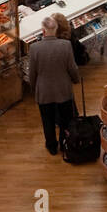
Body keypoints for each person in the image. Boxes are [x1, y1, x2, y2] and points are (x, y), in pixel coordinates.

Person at [27, 15, 80, 155]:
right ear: (56, 30)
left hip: (44, 92)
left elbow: (32, 73)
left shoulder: (34, 48)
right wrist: (76, 80)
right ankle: (64, 143)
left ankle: (51, 146)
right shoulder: (65, 45)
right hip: (63, 90)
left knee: (47, 120)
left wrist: (34, 89)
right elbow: (72, 68)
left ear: (43, 31)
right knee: (65, 119)